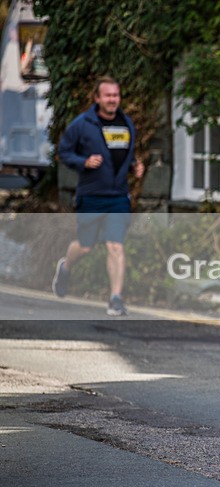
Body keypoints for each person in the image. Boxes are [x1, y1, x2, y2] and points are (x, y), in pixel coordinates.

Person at [52, 76, 144, 316]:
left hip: (118, 197)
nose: (113, 99)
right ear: (97, 98)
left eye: (116, 95)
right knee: (85, 247)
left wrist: (134, 166)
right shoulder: (83, 124)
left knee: (115, 246)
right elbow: (63, 152)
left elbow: (122, 155)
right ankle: (66, 266)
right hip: (91, 196)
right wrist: (84, 162)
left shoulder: (127, 124)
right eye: (108, 95)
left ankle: (115, 298)